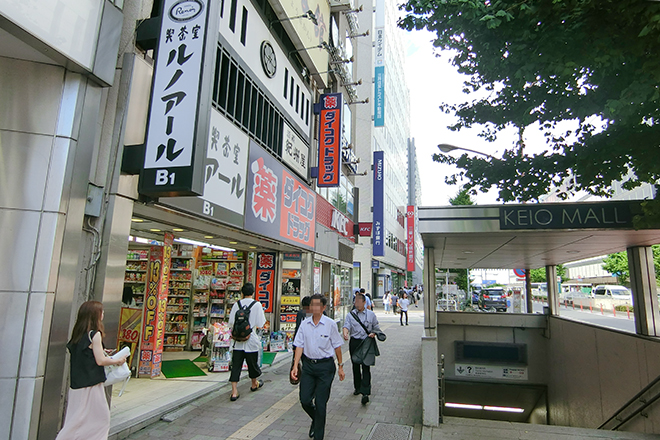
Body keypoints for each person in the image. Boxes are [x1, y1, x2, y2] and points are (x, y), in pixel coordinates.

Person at [55, 301, 128, 440]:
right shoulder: (95, 334)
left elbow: (86, 353)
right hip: (91, 384)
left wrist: (102, 350)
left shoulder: (78, 333)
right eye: (101, 311)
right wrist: (117, 361)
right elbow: (100, 361)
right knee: (100, 419)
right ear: (95, 315)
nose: (103, 314)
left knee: (77, 419)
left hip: (77, 384)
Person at [291, 294, 345, 439]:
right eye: (312, 305)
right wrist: (296, 366)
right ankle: (316, 419)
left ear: (323, 308)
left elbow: (337, 346)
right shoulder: (304, 324)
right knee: (305, 400)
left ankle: (318, 435)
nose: (314, 308)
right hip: (308, 366)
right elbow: (299, 346)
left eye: (317, 305)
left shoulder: (330, 324)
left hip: (326, 367)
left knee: (321, 404)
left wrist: (340, 366)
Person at [228, 283, 266, 401]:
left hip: (237, 342)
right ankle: (254, 384)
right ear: (253, 293)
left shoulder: (236, 304)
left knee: (236, 366)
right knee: (252, 364)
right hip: (251, 340)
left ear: (242, 293)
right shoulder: (257, 305)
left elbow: (230, 323)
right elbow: (260, 323)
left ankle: (234, 392)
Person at [342, 292, 381, 405]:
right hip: (355, 342)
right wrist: (345, 333)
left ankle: (365, 392)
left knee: (366, 366)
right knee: (355, 365)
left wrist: (374, 333)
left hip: (366, 342)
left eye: (359, 302)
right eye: (356, 302)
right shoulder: (350, 315)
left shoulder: (371, 315)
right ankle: (357, 387)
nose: (357, 304)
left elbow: (376, 327)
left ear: (364, 302)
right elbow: (346, 325)